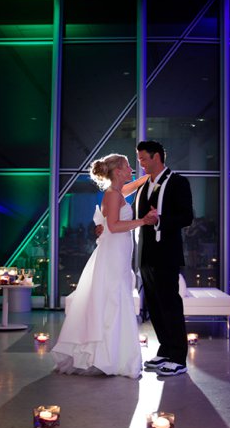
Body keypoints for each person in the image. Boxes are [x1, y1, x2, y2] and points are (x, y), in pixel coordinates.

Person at [51, 154, 155, 378]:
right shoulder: (112, 194)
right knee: (113, 298)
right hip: (114, 253)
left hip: (118, 252)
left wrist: (152, 175)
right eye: (128, 166)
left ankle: (111, 354)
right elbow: (115, 227)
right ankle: (108, 357)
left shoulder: (117, 192)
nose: (131, 169)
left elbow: (133, 186)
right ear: (118, 171)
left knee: (114, 297)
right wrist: (143, 221)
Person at [135, 140, 194, 377]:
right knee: (154, 305)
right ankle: (166, 349)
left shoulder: (178, 182)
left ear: (157, 157)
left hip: (167, 254)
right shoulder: (143, 186)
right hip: (146, 254)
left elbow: (187, 217)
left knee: (170, 304)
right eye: (139, 159)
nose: (140, 163)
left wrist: (160, 219)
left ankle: (178, 357)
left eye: (143, 158)